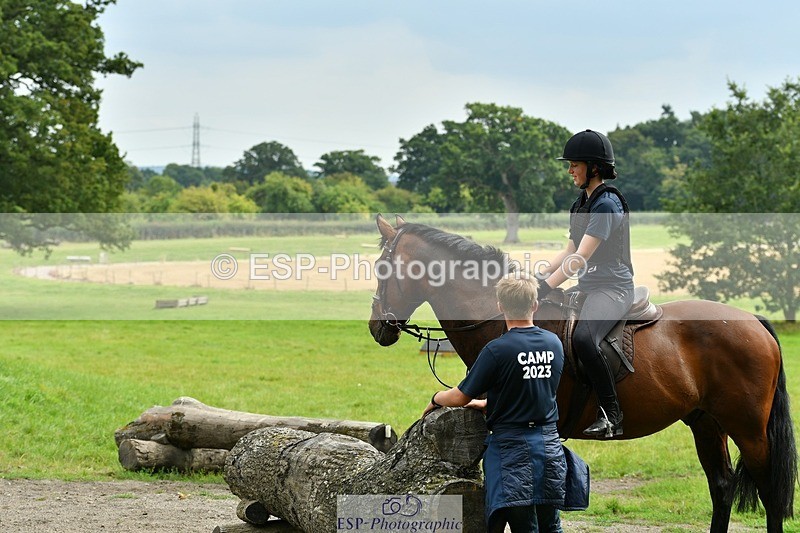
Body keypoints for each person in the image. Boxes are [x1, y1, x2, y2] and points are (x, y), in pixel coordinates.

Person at [423, 273, 566, 533]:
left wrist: (436, 398)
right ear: (534, 305)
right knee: (551, 526)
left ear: (500, 306)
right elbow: (535, 389)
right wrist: (487, 404)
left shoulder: (496, 350)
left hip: (512, 449)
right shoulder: (553, 343)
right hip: (549, 448)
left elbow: (460, 396)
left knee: (524, 527)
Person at [536, 129, 634, 438]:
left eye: (574, 164)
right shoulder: (581, 203)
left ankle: (612, 414)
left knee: (583, 339)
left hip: (613, 288)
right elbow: (567, 251)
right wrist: (536, 278)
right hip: (589, 287)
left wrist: (544, 288)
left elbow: (579, 257)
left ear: (593, 167)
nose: (569, 171)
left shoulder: (607, 205)